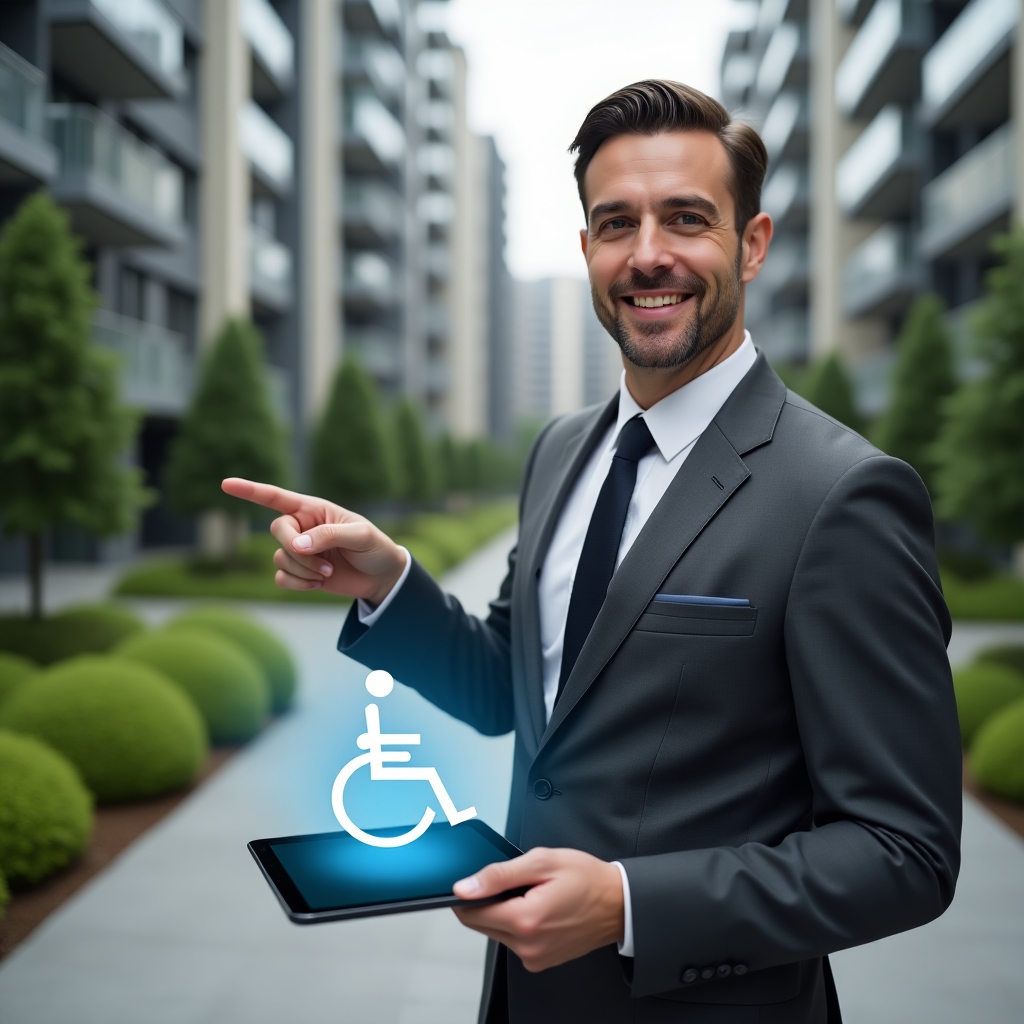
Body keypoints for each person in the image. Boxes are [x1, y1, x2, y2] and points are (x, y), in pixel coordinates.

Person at [224, 80, 961, 1024]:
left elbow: (905, 852)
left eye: (686, 218)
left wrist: (627, 904)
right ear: (586, 250)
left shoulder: (846, 495)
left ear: (754, 242)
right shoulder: (562, 449)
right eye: (617, 224)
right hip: (524, 1001)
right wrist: (391, 584)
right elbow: (517, 695)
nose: (648, 254)